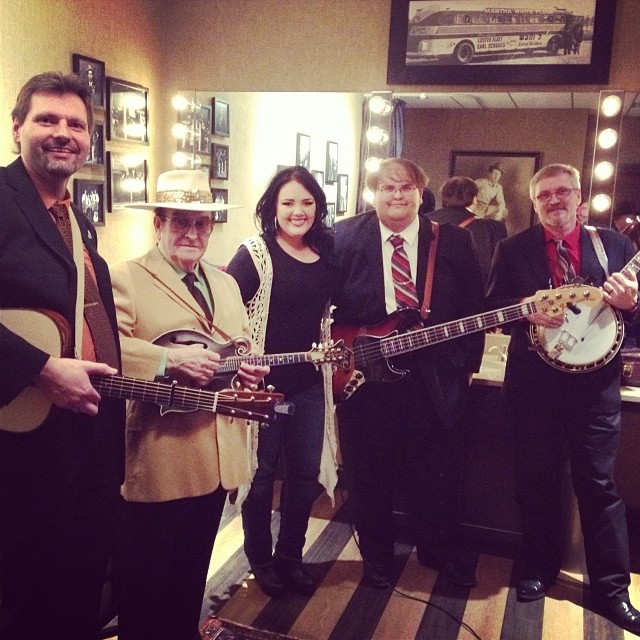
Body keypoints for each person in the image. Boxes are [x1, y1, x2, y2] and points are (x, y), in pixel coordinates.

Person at [109, 169, 269, 640]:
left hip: (217, 454)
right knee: (144, 588)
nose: (192, 233)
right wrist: (166, 358)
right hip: (160, 454)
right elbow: (102, 350)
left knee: (189, 581)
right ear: (158, 223)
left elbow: (238, 346)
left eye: (202, 223)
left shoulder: (224, 283)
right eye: (181, 221)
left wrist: (247, 368)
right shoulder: (124, 278)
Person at [486, 163, 640, 636]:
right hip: (534, 390)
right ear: (535, 203)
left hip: (595, 393)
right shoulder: (512, 249)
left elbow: (633, 325)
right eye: (545, 195)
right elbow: (493, 312)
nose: (555, 201)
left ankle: (612, 590)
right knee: (536, 482)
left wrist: (631, 303)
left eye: (563, 192)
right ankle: (538, 567)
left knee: (599, 488)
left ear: (579, 196)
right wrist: (525, 314)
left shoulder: (613, 246)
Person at [0, 72, 124, 640]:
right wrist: (42, 369)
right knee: (25, 599)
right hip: (21, 451)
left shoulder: (78, 218)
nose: (62, 133)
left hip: (87, 441)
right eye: (47, 119)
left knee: (78, 589)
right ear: (17, 126)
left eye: (76, 124)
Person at [331, 158, 485, 589]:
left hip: (431, 379)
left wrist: (465, 370)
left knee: (430, 473)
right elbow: (324, 306)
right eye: (386, 188)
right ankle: (377, 559)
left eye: (405, 188)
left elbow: (474, 311)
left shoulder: (453, 242)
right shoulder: (344, 237)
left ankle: (434, 550)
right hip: (365, 380)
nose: (396, 196)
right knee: (370, 476)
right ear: (373, 194)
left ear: (422, 192)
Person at [226, 166, 338, 597]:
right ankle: (260, 559)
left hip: (311, 384)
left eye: (307, 202)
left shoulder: (327, 252)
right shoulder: (255, 254)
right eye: (288, 202)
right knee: (258, 476)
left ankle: (292, 556)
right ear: (273, 207)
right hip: (263, 388)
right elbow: (226, 311)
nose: (298, 211)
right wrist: (239, 360)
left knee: (305, 477)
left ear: (317, 206)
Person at [429, 175, 507, 288]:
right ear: (475, 199)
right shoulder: (492, 228)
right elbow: (498, 272)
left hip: (430, 294)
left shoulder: (424, 220)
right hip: (471, 296)